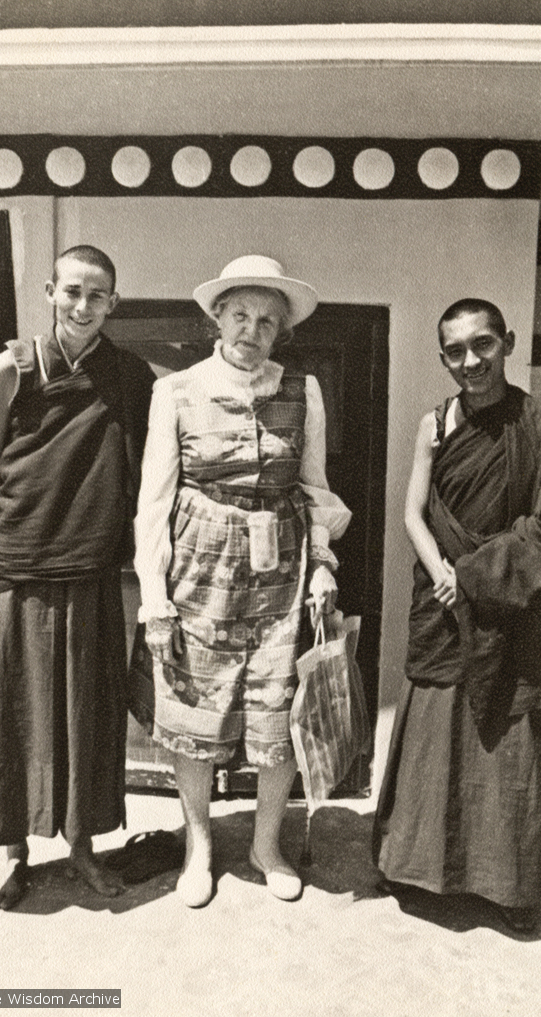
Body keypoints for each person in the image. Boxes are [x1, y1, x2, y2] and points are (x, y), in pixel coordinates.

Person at [129, 255, 351, 907]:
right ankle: (198, 847)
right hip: (199, 573)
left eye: (266, 320)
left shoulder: (303, 390)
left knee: (279, 714)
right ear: (216, 320)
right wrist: (155, 597)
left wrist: (321, 566)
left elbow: (314, 488)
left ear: (281, 331)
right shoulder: (174, 391)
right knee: (195, 715)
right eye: (240, 315)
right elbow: (154, 501)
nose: (252, 328)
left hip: (282, 577)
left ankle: (265, 846)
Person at [0, 245, 155, 909]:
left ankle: (80, 850)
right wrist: (7, 542)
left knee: (86, 714)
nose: (82, 306)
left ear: (113, 304)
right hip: (22, 565)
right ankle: (14, 856)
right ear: (49, 291)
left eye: (97, 296)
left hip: (91, 567)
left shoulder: (128, 375)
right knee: (13, 710)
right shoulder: (11, 367)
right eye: (71, 291)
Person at [373, 298, 541, 933]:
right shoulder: (437, 423)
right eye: (455, 351)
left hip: (512, 598)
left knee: (508, 730)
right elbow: (414, 512)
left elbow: (539, 525)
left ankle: (508, 885)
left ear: (509, 341)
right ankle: (422, 872)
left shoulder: (536, 419)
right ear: (442, 357)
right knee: (437, 728)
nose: (471, 361)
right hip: (444, 598)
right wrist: (443, 573)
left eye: (484, 344)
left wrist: (471, 578)